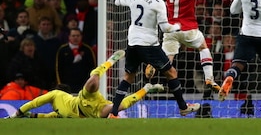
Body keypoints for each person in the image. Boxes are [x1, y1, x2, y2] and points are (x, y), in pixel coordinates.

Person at [109, 0, 200, 118]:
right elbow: (164, 28)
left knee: (128, 77)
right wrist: (178, 26)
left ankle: (113, 114)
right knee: (171, 73)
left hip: (132, 42)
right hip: (149, 45)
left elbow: (117, 0)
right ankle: (183, 107)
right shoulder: (158, 3)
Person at [6, 50, 164, 118]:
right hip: (94, 113)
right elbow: (42, 116)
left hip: (84, 100)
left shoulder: (56, 95)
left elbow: (33, 103)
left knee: (93, 81)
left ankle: (108, 63)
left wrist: (16, 113)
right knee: (119, 106)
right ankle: (146, 89)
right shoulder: (58, 113)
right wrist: (27, 116)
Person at [148, 0, 222, 93]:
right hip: (188, 28)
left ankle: (154, 67)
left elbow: (163, 1)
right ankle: (209, 78)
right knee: (203, 47)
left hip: (170, 29)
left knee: (167, 58)